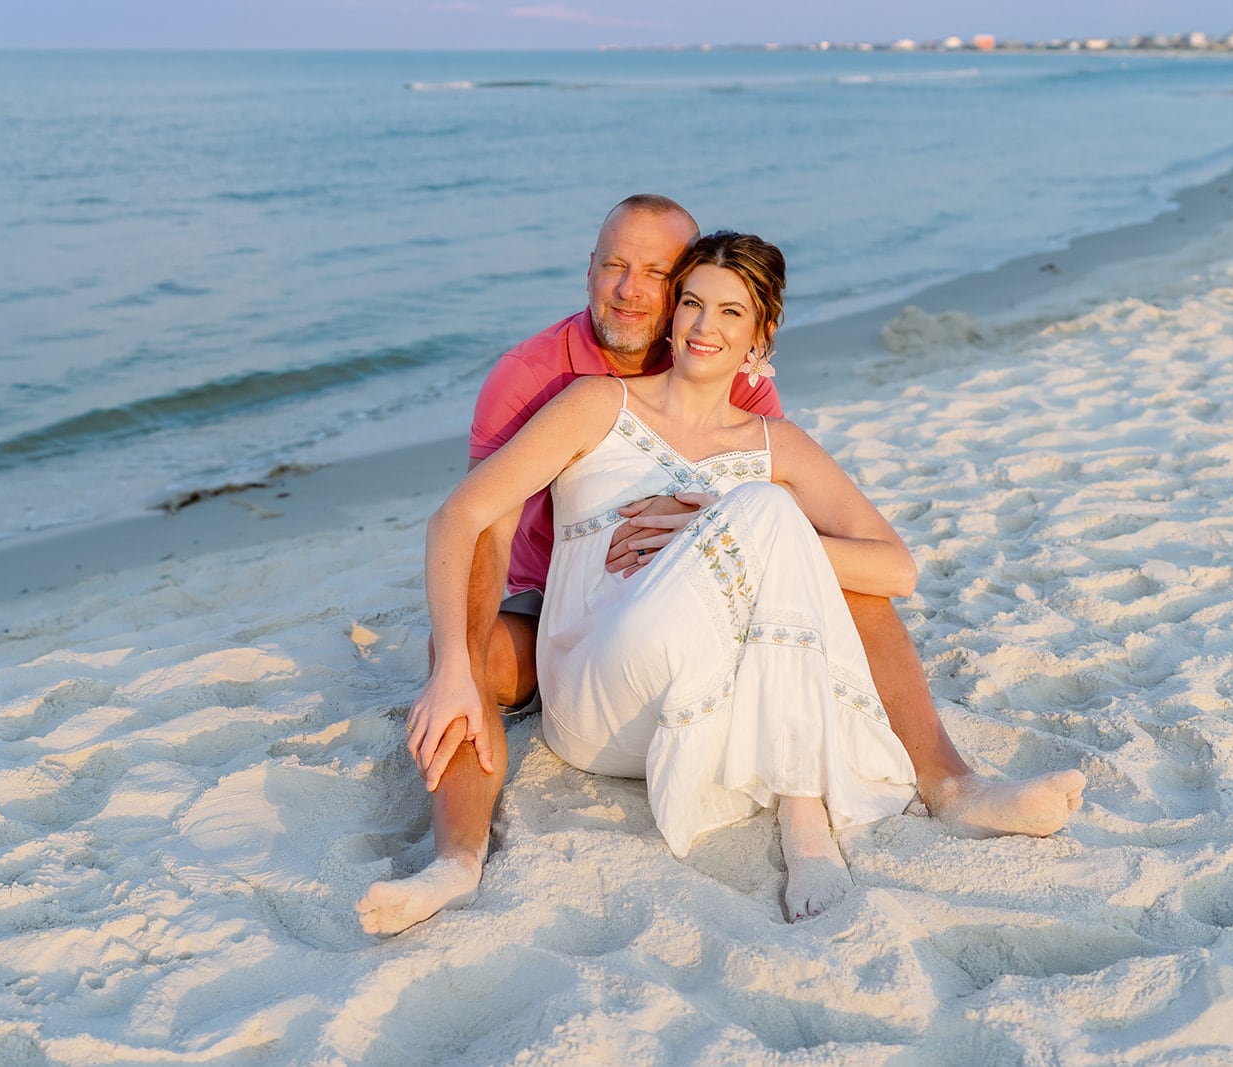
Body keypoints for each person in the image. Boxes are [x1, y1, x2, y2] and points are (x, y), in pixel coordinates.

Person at [356, 197, 1086, 936]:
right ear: (672, 313)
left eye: (728, 313)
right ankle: (458, 861)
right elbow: (466, 517)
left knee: (802, 544)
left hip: (707, 694)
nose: (703, 325)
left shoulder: (773, 437)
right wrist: (453, 661)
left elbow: (897, 566)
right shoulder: (587, 400)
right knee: (769, 516)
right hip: (593, 674)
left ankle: (944, 789)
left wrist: (706, 524)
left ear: (760, 339)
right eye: (692, 304)